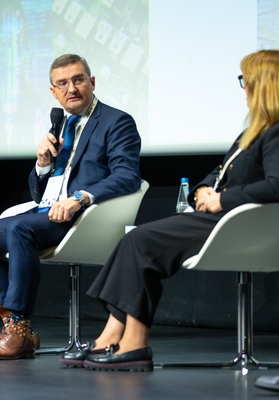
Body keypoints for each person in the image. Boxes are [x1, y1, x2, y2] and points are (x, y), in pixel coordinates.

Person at [60, 49, 279, 372]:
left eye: (245, 80)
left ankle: (130, 339)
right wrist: (204, 191)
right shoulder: (253, 133)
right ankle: (119, 334)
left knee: (141, 242)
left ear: (261, 85)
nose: (243, 87)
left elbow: (275, 185)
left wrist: (223, 200)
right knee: (138, 240)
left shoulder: (275, 133)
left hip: (237, 225)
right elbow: (218, 174)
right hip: (217, 220)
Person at [0, 53, 142, 360]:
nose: (72, 88)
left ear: (92, 82)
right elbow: (39, 189)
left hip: (84, 217)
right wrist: (43, 165)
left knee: (19, 228)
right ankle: (18, 331)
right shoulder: (59, 126)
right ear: (53, 91)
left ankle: (17, 332)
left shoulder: (116, 122)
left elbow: (128, 177)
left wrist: (81, 198)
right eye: (62, 83)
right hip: (45, 213)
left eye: (78, 79)